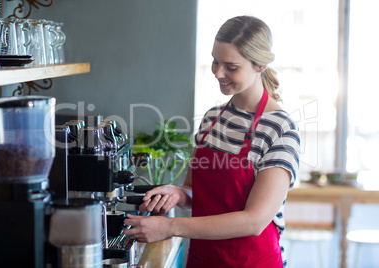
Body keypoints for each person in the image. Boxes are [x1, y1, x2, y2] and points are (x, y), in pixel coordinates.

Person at [124, 15, 300, 268]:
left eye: (231, 66)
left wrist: (171, 227)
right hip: (203, 259)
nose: (218, 72)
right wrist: (176, 194)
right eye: (215, 61)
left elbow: (255, 221)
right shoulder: (212, 118)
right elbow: (193, 190)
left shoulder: (279, 128)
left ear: (259, 66)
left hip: (251, 262)